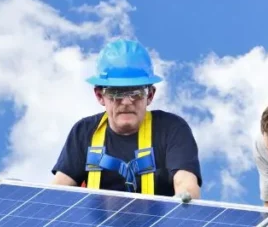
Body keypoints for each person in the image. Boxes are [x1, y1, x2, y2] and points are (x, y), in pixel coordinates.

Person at [51, 39, 202, 202]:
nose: (127, 101)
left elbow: (185, 183)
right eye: (116, 92)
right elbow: (59, 191)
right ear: (100, 96)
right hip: (96, 226)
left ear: (150, 95)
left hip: (159, 226)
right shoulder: (84, 132)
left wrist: (185, 200)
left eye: (136, 92)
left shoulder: (172, 129)